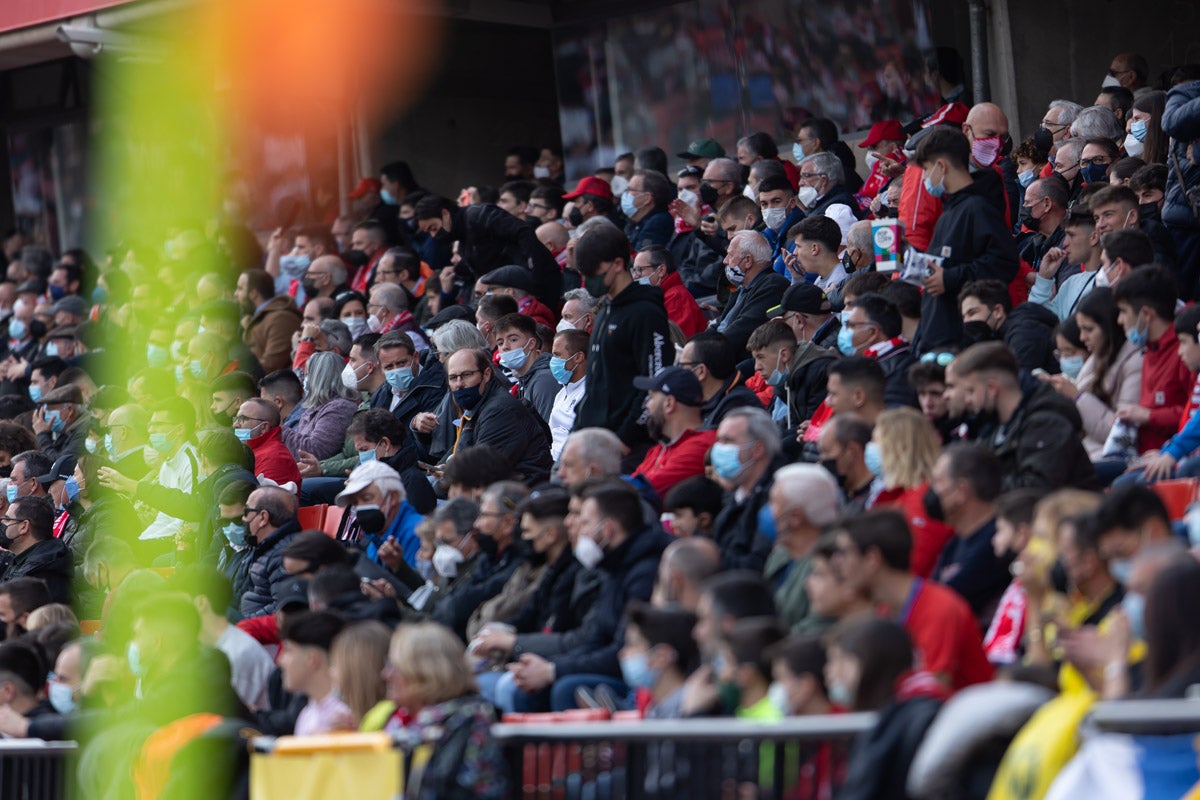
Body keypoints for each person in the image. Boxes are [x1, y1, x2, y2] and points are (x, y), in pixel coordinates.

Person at [503, 479, 668, 712]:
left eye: (585, 521)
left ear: (608, 529)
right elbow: (595, 639)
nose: (575, 525)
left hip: (634, 674)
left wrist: (552, 671)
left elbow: (621, 651)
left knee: (566, 687)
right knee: (527, 691)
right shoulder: (612, 565)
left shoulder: (645, 570)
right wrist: (548, 666)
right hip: (610, 665)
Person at [835, 510, 993, 690]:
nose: (837, 563)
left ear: (872, 559)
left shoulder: (939, 609)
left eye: (843, 553)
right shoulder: (885, 612)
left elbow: (931, 692)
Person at [913, 127, 1019, 353]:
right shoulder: (949, 212)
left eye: (925, 169)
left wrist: (950, 278)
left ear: (941, 166)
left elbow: (1004, 263)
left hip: (960, 344)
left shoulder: (978, 208)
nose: (924, 178)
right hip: (937, 339)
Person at [573, 225, 673, 465]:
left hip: (625, 448)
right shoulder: (607, 308)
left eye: (593, 273)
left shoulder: (645, 313)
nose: (588, 282)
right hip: (593, 438)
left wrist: (624, 440)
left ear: (617, 264)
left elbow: (655, 380)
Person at [384, 622, 508, 800]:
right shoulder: (426, 723)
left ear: (422, 672)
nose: (386, 675)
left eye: (393, 666)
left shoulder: (467, 722)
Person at [828, 617, 948, 800]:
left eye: (842, 661)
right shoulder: (896, 713)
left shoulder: (914, 715)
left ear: (867, 661)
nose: (833, 674)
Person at [949, 342, 1096, 490]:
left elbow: (1035, 490)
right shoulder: (993, 425)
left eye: (970, 391)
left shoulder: (1047, 423)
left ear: (992, 388)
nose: (967, 399)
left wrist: (974, 488)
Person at [419, 348, 552, 484]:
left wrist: (446, 478)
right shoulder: (477, 406)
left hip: (519, 495)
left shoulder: (500, 411)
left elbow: (479, 473)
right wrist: (446, 468)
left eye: (467, 375)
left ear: (486, 374)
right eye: (453, 378)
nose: (459, 384)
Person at [1041, 287, 1143, 463]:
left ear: (1109, 326)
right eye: (1081, 329)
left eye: (1089, 329)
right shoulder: (1097, 359)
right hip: (1083, 450)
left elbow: (1122, 437)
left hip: (1109, 458)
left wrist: (1077, 397)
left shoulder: (1135, 363)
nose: (1082, 337)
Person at [1112, 265, 1193, 455]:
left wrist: (1149, 416)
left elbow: (1194, 414)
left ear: (1146, 314)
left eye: (1124, 311)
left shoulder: (1186, 353)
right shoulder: (1150, 348)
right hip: (1140, 453)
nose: (1119, 320)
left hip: (1168, 458)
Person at [173, 564, 274, 712]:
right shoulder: (209, 648)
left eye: (179, 604)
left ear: (201, 603)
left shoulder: (238, 653)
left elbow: (224, 717)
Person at [930, 443, 1012, 623]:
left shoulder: (997, 543)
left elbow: (941, 603)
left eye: (938, 481)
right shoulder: (956, 542)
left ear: (961, 490)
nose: (932, 490)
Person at [870, 407, 955, 578]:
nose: (870, 449)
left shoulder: (926, 500)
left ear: (898, 448)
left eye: (876, 442)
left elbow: (914, 567)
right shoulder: (899, 493)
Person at [764, 463, 840, 630]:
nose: (768, 510)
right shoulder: (781, 552)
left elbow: (817, 625)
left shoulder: (831, 563)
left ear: (796, 517)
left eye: (774, 503)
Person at [710, 407, 783, 571]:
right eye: (718, 440)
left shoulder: (778, 497)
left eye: (727, 441)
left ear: (757, 449)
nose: (718, 448)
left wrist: (706, 555)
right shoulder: (734, 492)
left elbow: (757, 567)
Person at [631, 367, 717, 500]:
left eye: (651, 397)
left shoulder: (701, 446)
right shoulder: (658, 450)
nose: (647, 405)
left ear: (669, 404)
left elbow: (635, 493)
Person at [334, 460, 424, 580]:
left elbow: (420, 593)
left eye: (367, 498)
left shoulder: (417, 532)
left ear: (392, 497)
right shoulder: (375, 538)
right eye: (355, 502)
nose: (360, 507)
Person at [959, 279, 1060, 374]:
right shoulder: (1002, 334)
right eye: (964, 317)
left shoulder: (1023, 332)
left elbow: (1019, 383)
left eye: (972, 313)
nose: (967, 321)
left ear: (998, 311)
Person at [716, 231, 789, 360]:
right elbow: (721, 324)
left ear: (748, 260)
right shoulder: (743, 288)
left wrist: (705, 351)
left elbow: (740, 331)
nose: (725, 261)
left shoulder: (773, 285)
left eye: (730, 255)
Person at [279, 610, 352, 735]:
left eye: (288, 650)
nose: (281, 660)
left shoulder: (345, 717)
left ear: (312, 659)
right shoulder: (307, 714)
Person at [839, 293, 918, 408]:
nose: (845, 331)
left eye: (851, 326)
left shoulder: (901, 370)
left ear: (872, 332)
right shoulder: (872, 362)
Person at [279, 351, 359, 461]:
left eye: (307, 375)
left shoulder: (340, 408)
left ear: (320, 378)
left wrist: (279, 431)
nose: (304, 381)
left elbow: (316, 450)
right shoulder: (314, 408)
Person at [240, 486, 302, 618]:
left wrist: (246, 623)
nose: (243, 519)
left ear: (263, 517)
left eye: (246, 511)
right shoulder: (263, 547)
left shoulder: (283, 554)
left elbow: (282, 608)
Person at [681, 332, 763, 429]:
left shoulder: (738, 408)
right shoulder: (702, 403)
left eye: (683, 366)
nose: (680, 373)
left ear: (701, 371)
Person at [0, 496, 70, 604]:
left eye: (7, 519)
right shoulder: (21, 559)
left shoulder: (40, 572)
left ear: (24, 526)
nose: (2, 523)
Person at [492, 312, 558, 420]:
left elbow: (547, 432)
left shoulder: (544, 380)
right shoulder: (525, 380)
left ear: (531, 344)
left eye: (513, 340)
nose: (505, 347)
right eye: (500, 343)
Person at [235, 268, 303, 373]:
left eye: (240, 289)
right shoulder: (261, 317)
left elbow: (271, 366)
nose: (236, 294)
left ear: (253, 293)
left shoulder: (281, 319)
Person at [632, 245, 707, 339]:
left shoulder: (677, 299)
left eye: (639, 270)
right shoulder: (656, 296)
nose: (635, 276)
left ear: (661, 270)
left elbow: (674, 342)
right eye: (634, 270)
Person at [232, 397, 302, 488]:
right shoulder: (252, 450)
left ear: (263, 427)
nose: (235, 425)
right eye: (236, 419)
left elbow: (266, 500)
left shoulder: (274, 458)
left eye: (243, 419)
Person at [548, 329, 588, 461]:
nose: (553, 361)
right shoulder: (561, 393)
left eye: (557, 355)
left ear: (578, 357)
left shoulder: (589, 394)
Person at [478, 264, 556, 329]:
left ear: (509, 292)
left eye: (491, 290)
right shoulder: (520, 315)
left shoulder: (535, 321)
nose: (489, 295)